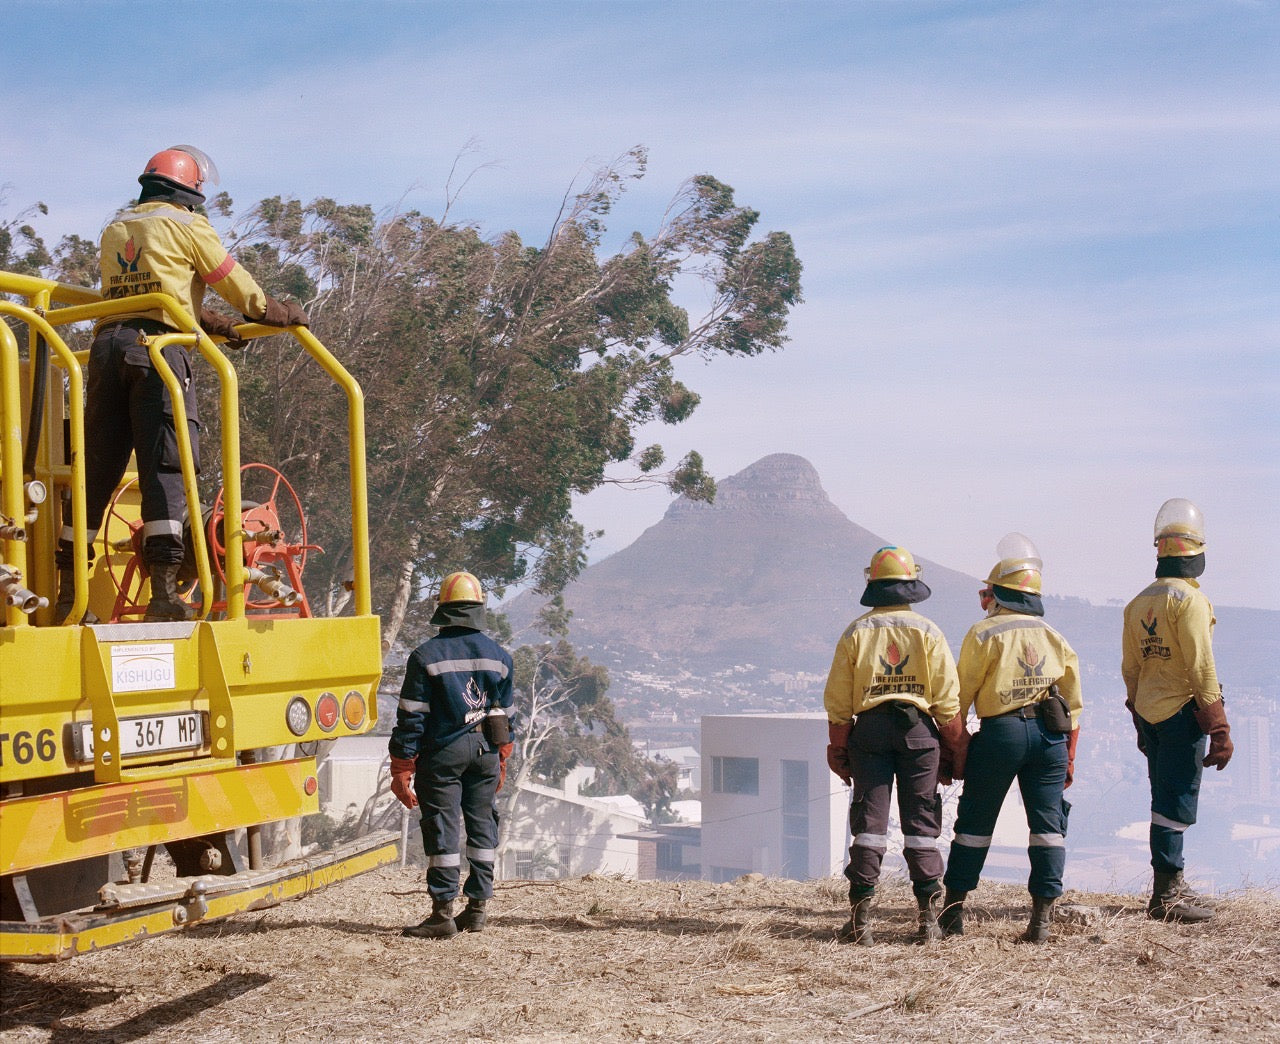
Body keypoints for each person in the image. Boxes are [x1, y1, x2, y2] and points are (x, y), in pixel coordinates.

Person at [55, 145, 307, 623]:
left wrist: (207, 320)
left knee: (96, 472)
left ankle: (69, 596)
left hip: (107, 349)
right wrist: (277, 313)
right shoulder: (187, 224)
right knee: (167, 471)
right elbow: (235, 284)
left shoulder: (117, 227)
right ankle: (165, 596)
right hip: (158, 352)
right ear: (190, 189)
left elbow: (148, 291)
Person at [941, 534, 1083, 944]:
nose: (984, 601)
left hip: (1000, 735)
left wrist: (955, 752)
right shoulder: (1055, 636)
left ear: (999, 595)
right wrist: (1069, 758)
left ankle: (952, 913)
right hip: (1050, 738)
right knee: (1048, 827)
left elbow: (957, 700)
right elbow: (1074, 707)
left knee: (975, 822)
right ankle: (1041, 921)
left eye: (986, 593)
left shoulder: (984, 634)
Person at [823, 546, 968, 945]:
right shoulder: (928, 631)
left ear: (872, 583)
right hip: (919, 733)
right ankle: (929, 923)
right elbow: (947, 700)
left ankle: (860, 923)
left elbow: (839, 701)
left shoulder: (856, 632)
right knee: (921, 826)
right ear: (911, 585)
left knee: (868, 826)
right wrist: (955, 750)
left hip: (869, 733)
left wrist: (838, 749)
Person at [1122, 498, 1232, 923]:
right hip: (1182, 713)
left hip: (1150, 712)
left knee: (1162, 796)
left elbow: (1131, 669)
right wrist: (1219, 728)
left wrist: (1139, 720)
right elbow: (1201, 667)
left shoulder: (1138, 603)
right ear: (1196, 554)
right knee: (1176, 800)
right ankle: (1167, 896)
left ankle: (1171, 883)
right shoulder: (1190, 601)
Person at [389, 571, 515, 939]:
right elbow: (505, 717)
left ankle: (442, 914)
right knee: (482, 826)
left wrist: (402, 766)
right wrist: (501, 758)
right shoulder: (500, 657)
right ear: (478, 609)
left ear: (442, 609)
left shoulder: (425, 656)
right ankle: (477, 910)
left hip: (443, 755)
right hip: (485, 752)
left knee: (443, 828)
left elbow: (412, 718)